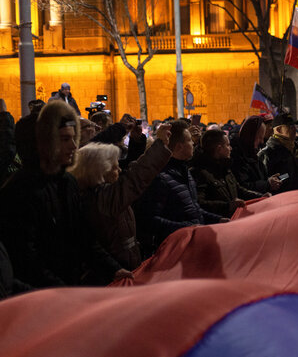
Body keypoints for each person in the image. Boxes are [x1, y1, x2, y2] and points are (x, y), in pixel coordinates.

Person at [0, 101, 130, 287]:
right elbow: (25, 258)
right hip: (38, 299)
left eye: (73, 138)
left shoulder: (67, 182)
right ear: (44, 144)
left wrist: (113, 268)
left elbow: (82, 235)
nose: (73, 146)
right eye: (64, 139)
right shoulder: (18, 192)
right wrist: (62, 291)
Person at [71, 124, 172, 270]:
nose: (119, 169)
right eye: (114, 166)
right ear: (100, 170)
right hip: (113, 274)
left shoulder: (103, 193)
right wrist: (160, 145)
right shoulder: (103, 198)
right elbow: (135, 178)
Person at [135, 120, 227, 253]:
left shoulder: (184, 172)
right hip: (176, 250)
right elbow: (149, 219)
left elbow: (193, 209)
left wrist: (217, 219)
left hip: (192, 244)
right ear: (179, 147)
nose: (193, 143)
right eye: (190, 140)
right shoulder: (161, 177)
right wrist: (184, 228)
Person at [193, 129, 266, 219]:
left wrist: (261, 197)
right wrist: (227, 206)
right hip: (219, 224)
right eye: (227, 145)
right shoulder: (200, 173)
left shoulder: (225, 167)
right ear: (219, 149)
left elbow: (238, 189)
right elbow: (200, 203)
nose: (230, 148)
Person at [259, 113, 298, 193]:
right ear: (278, 130)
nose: (294, 129)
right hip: (282, 201)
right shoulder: (267, 153)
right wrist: (286, 176)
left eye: (294, 126)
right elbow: (265, 183)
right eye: (290, 126)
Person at [231, 115, 281, 194]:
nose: (261, 141)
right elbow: (243, 186)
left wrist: (269, 181)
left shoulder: (253, 152)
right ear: (250, 135)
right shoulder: (237, 157)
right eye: (259, 137)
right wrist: (267, 184)